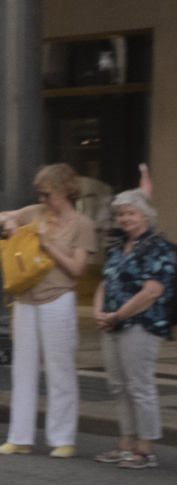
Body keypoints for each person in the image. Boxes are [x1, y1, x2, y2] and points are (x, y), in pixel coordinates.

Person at [0, 164, 96, 458]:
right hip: (25, 300)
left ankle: (62, 439)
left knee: (60, 370)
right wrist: (10, 221)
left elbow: (76, 269)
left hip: (58, 299)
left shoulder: (81, 224)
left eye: (47, 193)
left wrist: (48, 246)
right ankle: (19, 438)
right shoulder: (36, 211)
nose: (43, 198)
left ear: (64, 192)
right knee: (22, 371)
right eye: (40, 194)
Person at [92, 189, 176, 469]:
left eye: (131, 213)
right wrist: (98, 312)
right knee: (119, 387)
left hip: (142, 324)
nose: (125, 218)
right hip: (113, 325)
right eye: (121, 214)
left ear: (145, 216)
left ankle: (146, 449)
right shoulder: (118, 248)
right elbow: (105, 283)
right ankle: (126, 443)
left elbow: (153, 291)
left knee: (140, 386)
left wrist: (117, 315)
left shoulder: (157, 247)